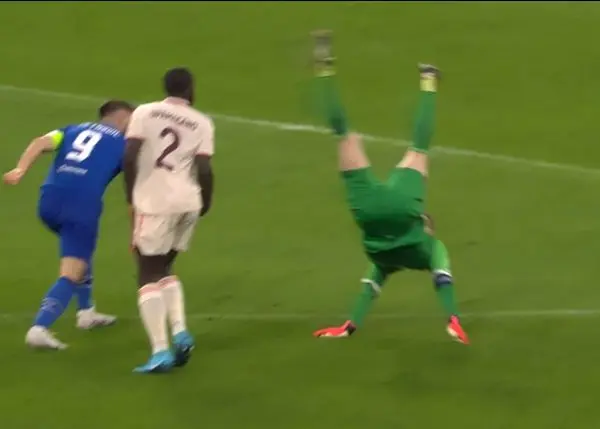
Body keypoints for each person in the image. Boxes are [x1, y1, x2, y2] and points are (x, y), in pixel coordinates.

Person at [311, 31, 469, 344]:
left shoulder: (427, 245)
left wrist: (348, 326)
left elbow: (437, 279)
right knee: (344, 136)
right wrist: (453, 320)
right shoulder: (389, 261)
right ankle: (324, 69)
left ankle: (428, 79)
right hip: (368, 212)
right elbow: (437, 281)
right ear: (426, 226)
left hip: (402, 204)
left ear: (424, 221)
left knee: (417, 149)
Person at [2, 100, 134, 349]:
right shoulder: (124, 144)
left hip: (49, 201)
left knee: (81, 250)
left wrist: (20, 169)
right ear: (124, 119)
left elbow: (40, 142)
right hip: (80, 207)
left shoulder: (72, 129)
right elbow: (133, 192)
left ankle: (86, 312)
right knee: (72, 270)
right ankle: (40, 327)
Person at [123, 67, 215, 373]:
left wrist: (131, 195)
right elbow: (204, 169)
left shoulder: (145, 112)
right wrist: (205, 202)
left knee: (146, 272)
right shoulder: (202, 122)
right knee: (164, 267)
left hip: (155, 203)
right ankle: (180, 331)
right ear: (189, 88)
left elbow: (130, 154)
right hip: (188, 202)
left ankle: (160, 351)